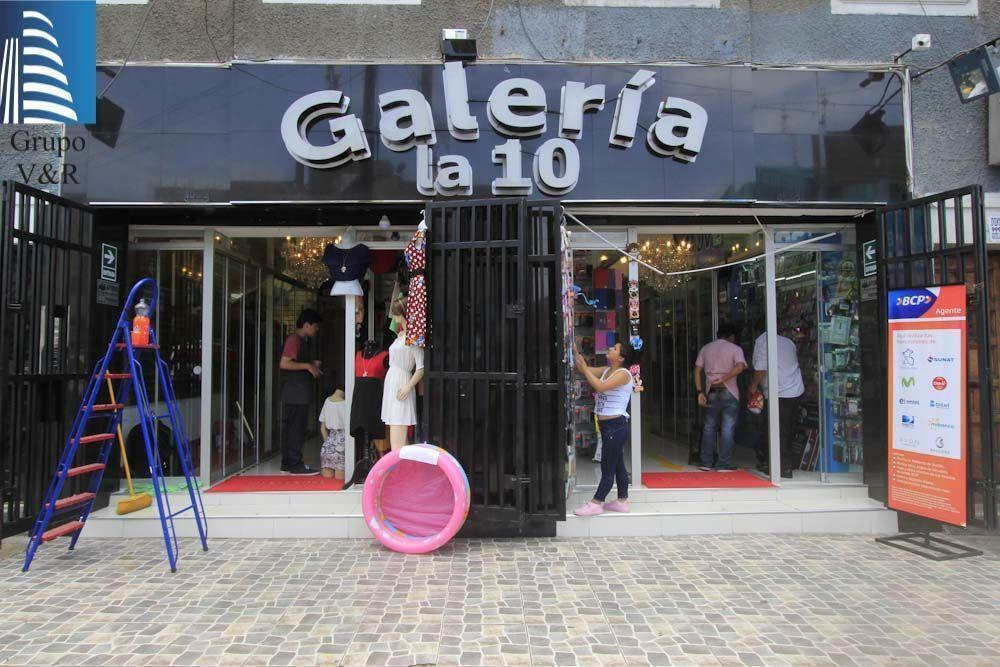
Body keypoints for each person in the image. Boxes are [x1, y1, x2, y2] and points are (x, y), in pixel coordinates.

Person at [572, 341, 639, 517]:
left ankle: (597, 503)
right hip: (608, 426)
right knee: (618, 465)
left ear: (621, 357)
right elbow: (583, 368)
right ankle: (622, 501)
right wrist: (574, 350)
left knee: (607, 467)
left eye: (615, 348)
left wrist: (585, 370)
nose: (610, 348)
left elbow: (599, 386)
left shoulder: (623, 374)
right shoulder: (607, 370)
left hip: (615, 426)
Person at [748, 329, 805, 478]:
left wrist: (753, 386)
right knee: (787, 429)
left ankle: (782, 467)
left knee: (776, 430)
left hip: (778, 392)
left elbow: (761, 368)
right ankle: (781, 463)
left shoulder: (763, 342)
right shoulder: (788, 342)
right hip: (795, 390)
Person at [694, 324, 747, 472]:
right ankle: (723, 464)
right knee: (727, 428)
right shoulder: (735, 349)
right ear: (731, 336)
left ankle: (706, 462)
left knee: (709, 427)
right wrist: (724, 378)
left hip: (711, 391)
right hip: (729, 392)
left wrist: (699, 392)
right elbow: (740, 366)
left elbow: (697, 370)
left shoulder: (706, 348)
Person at [279, 309, 323, 475]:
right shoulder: (294, 340)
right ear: (306, 325)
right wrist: (307, 366)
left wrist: (311, 363)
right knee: (295, 429)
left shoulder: (302, 341)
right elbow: (284, 363)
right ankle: (295, 463)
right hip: (295, 394)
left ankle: (287, 463)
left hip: (297, 393)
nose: (316, 330)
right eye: (315, 326)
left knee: (293, 428)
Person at [318, 388, 347, 480]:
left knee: (327, 482)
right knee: (339, 482)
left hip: (328, 445)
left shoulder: (327, 401)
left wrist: (328, 443)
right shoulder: (345, 404)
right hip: (342, 445)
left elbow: (323, 428)